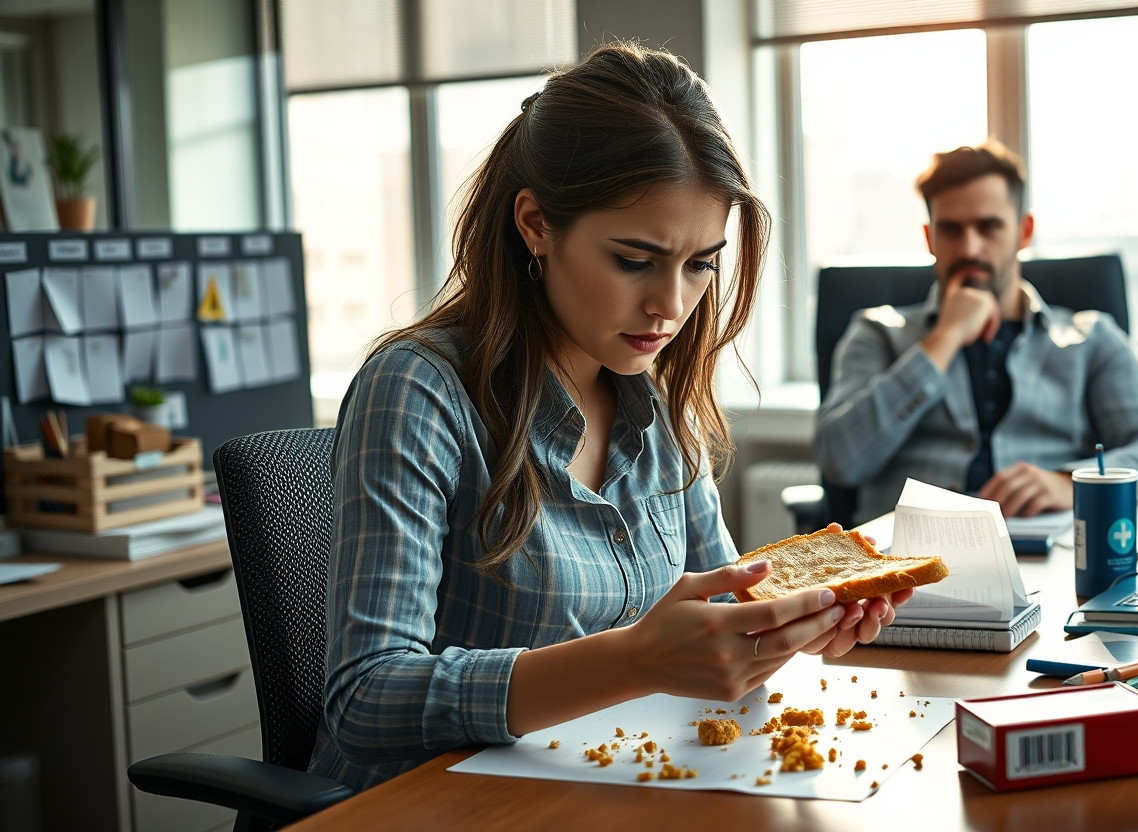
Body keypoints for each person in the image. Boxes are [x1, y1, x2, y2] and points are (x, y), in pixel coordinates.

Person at [309, 43, 909, 792]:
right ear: (535, 224)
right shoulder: (419, 389)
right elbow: (365, 699)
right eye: (634, 260)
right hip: (437, 802)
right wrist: (632, 660)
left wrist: (790, 626)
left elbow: (723, 602)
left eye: (701, 264)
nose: (671, 305)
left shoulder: (654, 395)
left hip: (604, 782)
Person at [812, 140, 1138, 524]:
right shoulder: (877, 332)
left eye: (988, 227)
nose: (970, 247)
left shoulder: (1091, 339)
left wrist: (1070, 483)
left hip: (1054, 556)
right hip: (910, 562)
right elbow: (840, 460)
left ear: (1024, 231)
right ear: (930, 238)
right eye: (951, 230)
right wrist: (944, 337)